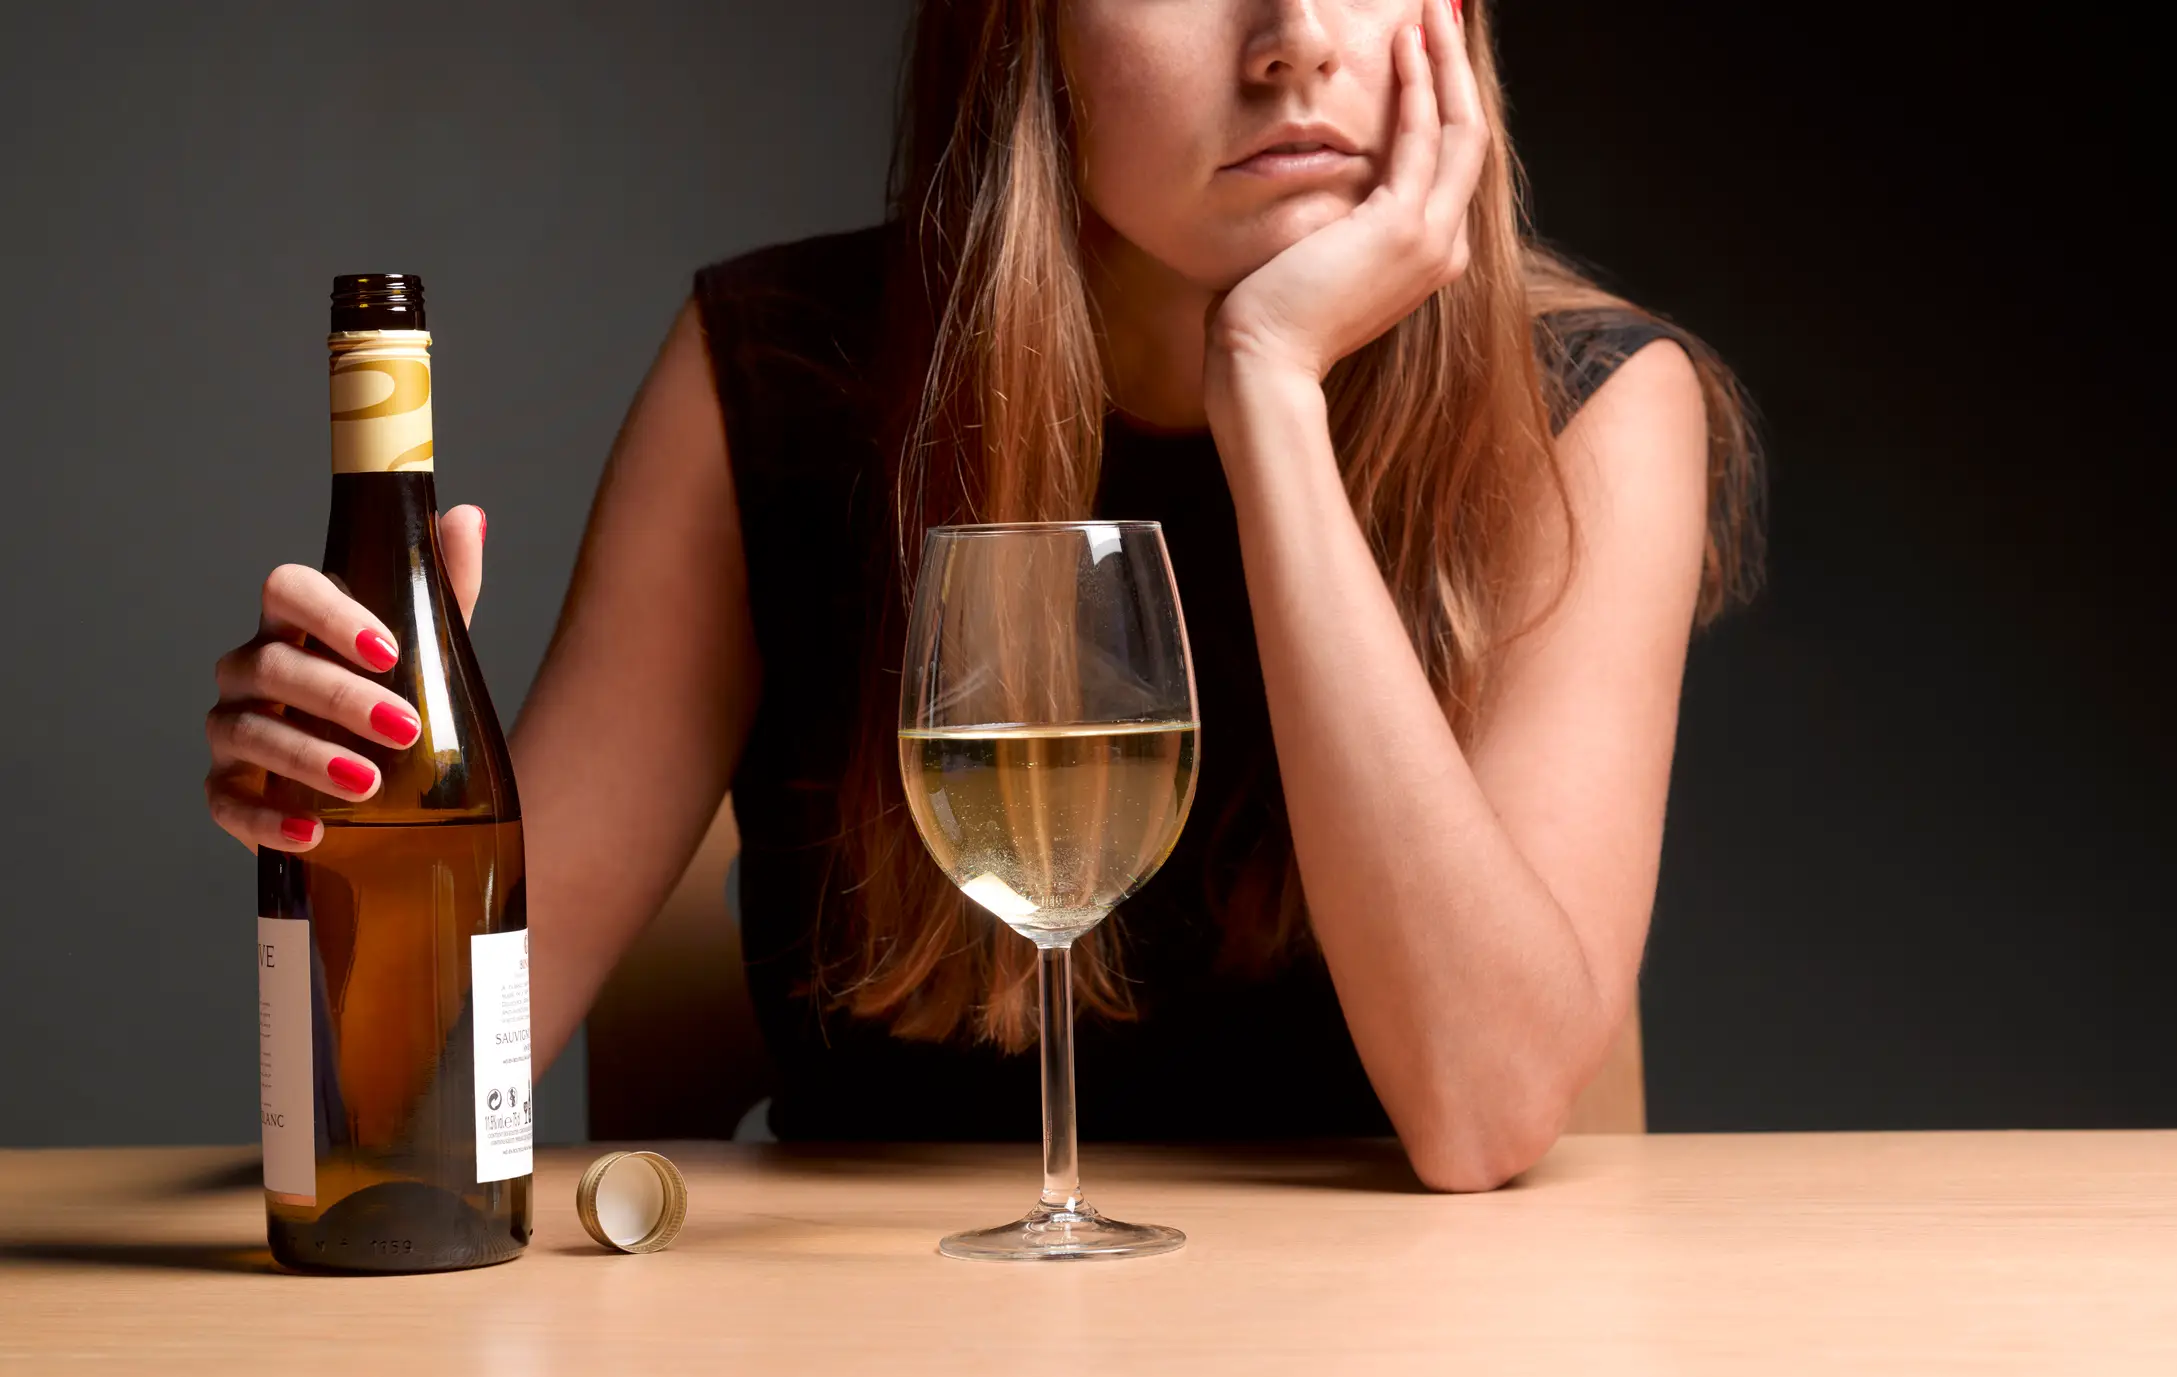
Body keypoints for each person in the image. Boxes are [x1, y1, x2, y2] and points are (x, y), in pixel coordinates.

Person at [204, 0, 1760, 1191]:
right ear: (1027, 34)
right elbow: (405, 1098)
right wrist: (373, 825)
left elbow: (1479, 1111)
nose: (1293, 40)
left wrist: (1267, 389)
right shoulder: (780, 376)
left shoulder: (1589, 407)